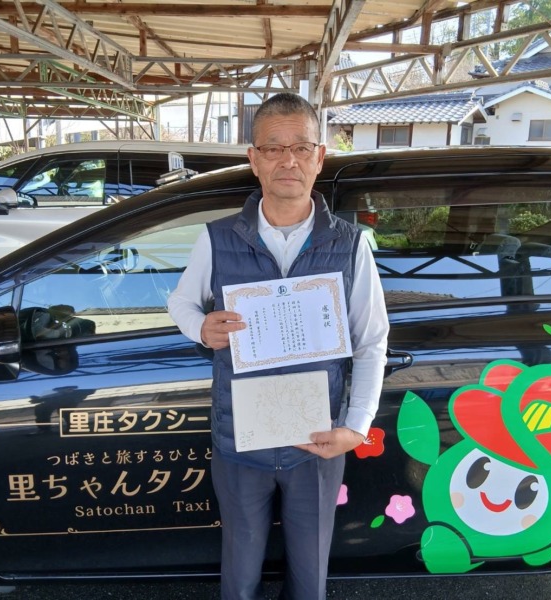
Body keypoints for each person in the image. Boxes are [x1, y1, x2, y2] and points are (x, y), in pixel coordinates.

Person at [167, 92, 389, 600]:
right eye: (273, 148)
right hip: (241, 436)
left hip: (317, 438)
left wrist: (356, 426)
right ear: (254, 159)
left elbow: (371, 341)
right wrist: (201, 328)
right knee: (240, 567)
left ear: (319, 157)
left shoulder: (350, 244)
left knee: (310, 573)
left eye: (301, 147)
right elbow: (180, 301)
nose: (288, 160)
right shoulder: (217, 238)